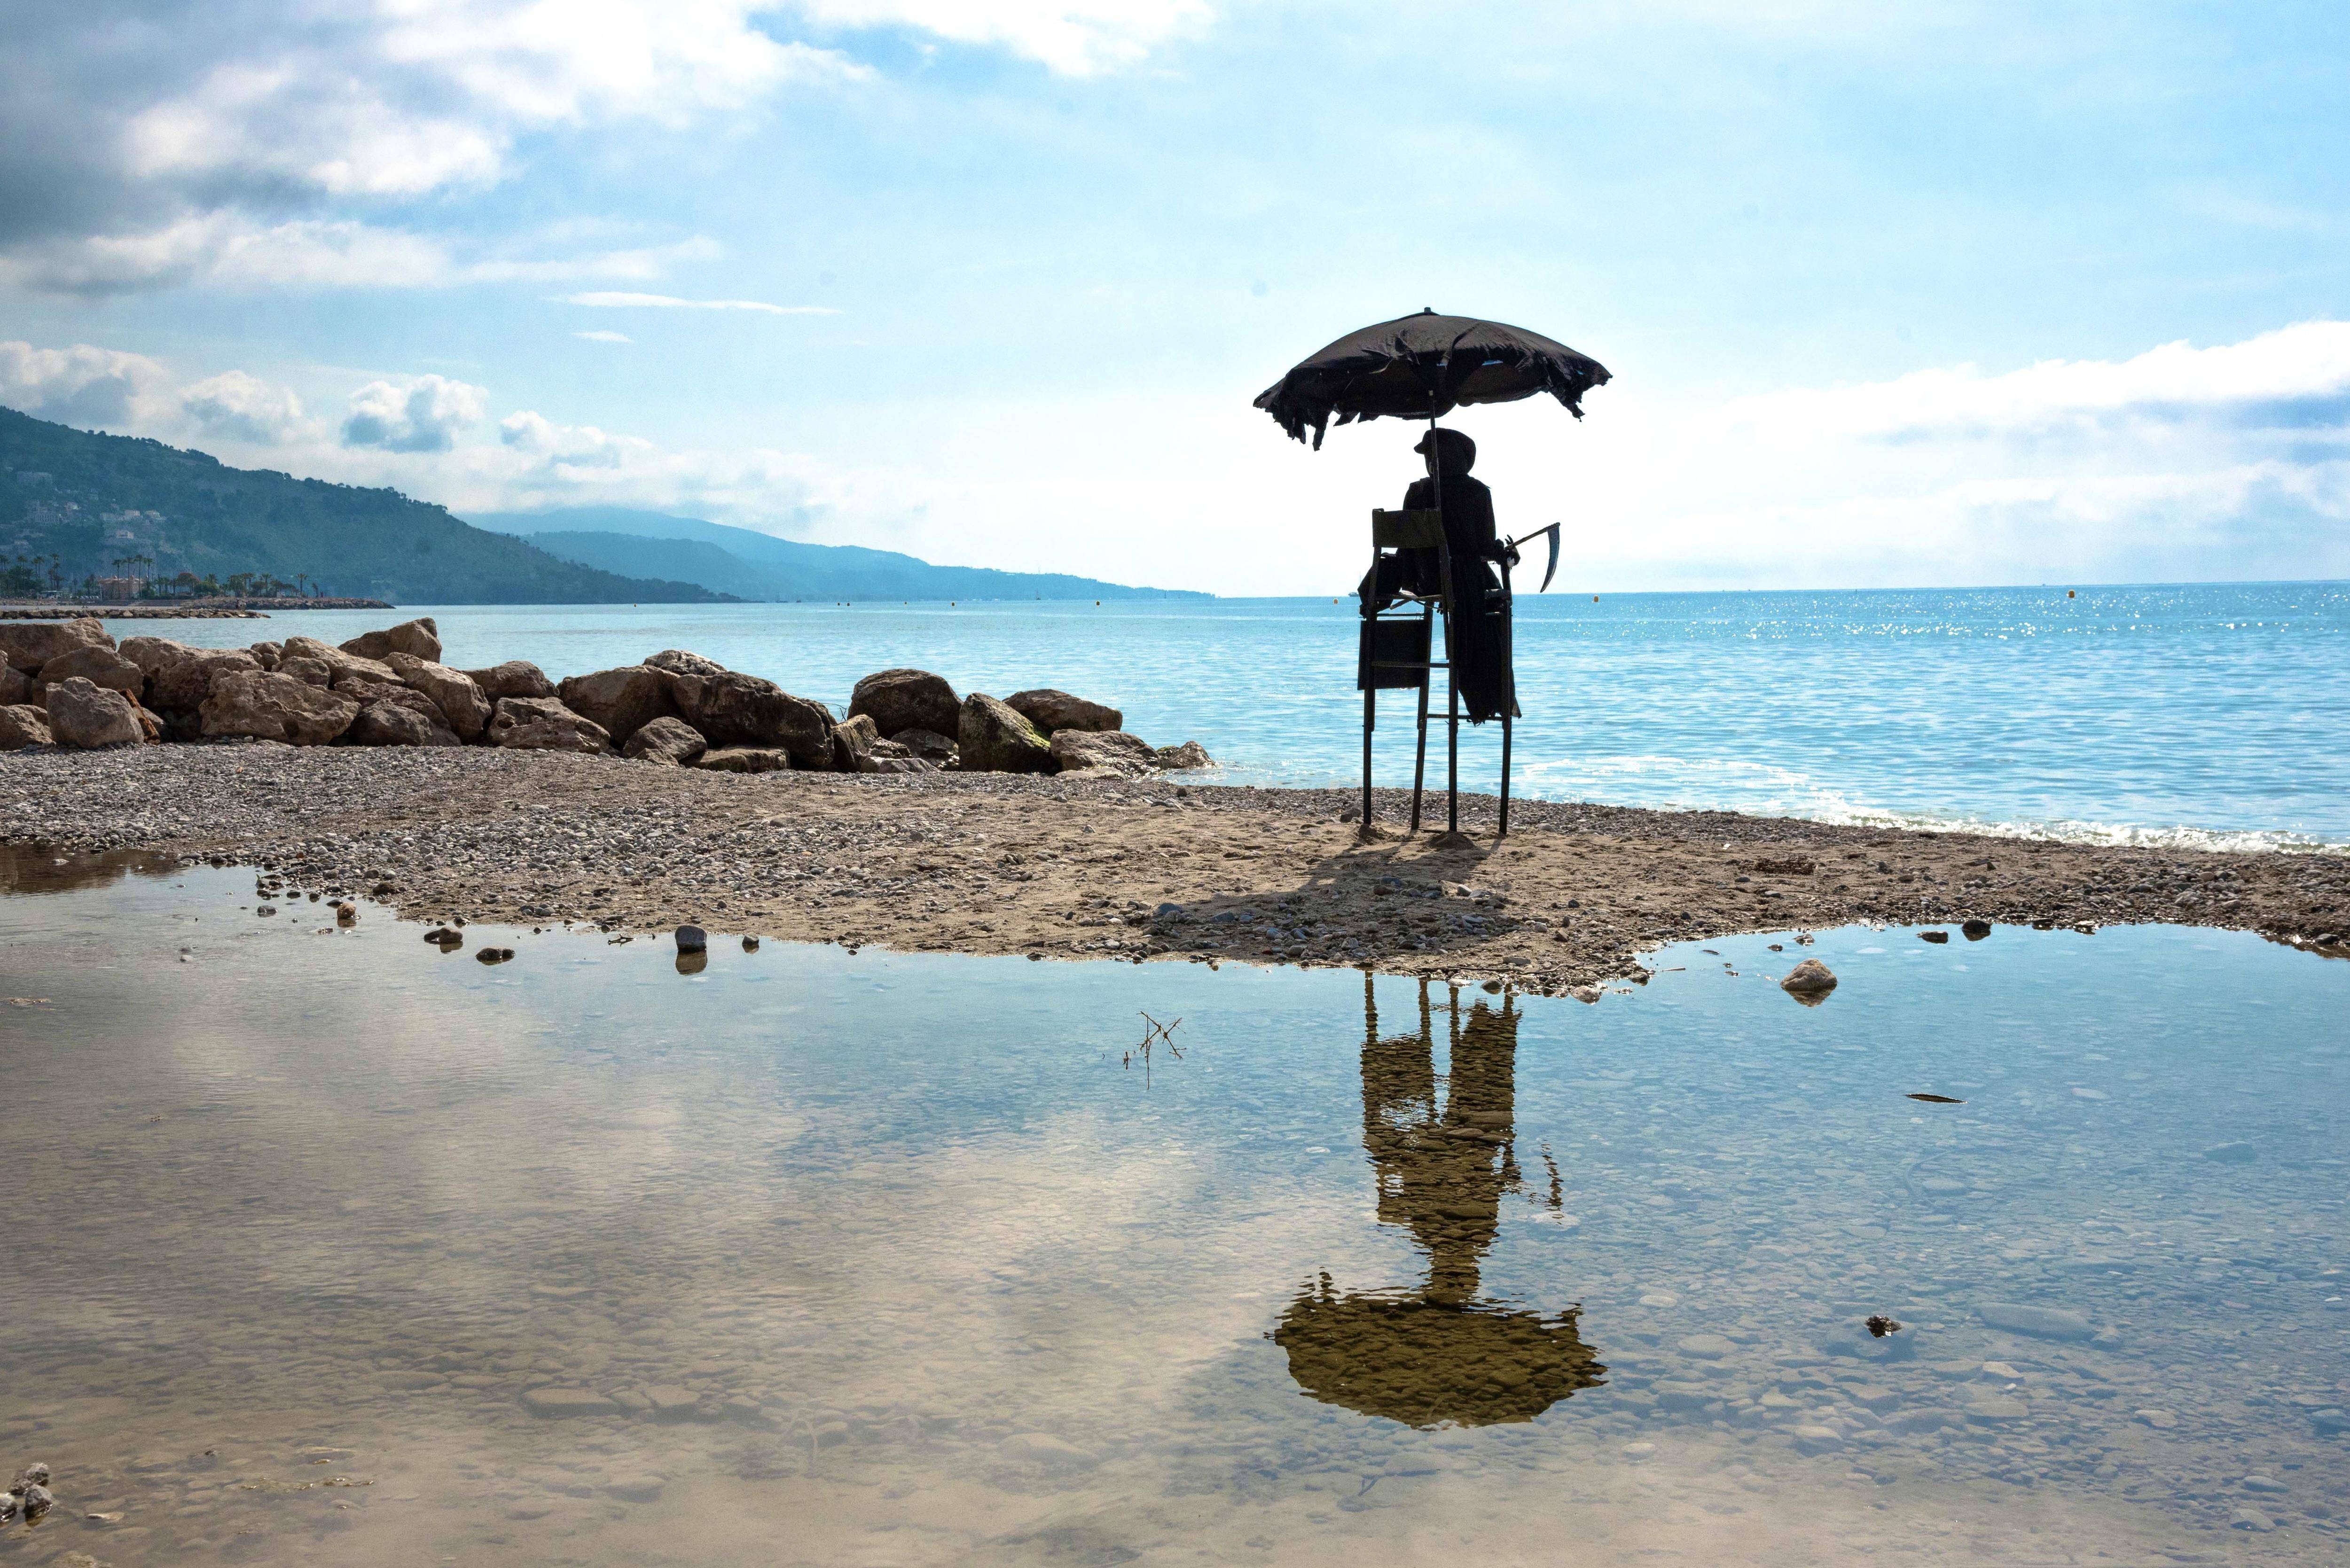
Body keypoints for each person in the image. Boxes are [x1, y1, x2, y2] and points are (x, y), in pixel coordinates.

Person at [1360, 427, 1516, 721]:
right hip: (1464, 587)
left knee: (1484, 594)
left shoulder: (1417, 491)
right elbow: (1484, 544)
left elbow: (1406, 545)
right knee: (1498, 606)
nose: (1430, 461)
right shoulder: (1478, 492)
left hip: (1424, 583)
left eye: (1432, 455)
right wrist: (1502, 553)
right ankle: (1491, 694)